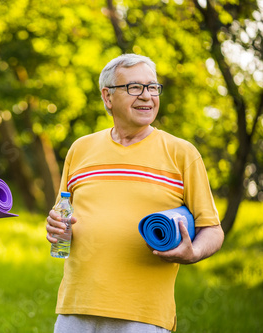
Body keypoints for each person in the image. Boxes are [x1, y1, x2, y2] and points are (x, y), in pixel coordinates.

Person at [46, 53, 224, 333]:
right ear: (107, 97)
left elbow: (212, 229)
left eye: (152, 87)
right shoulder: (80, 149)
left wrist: (194, 252)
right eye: (134, 87)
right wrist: (58, 231)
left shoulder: (182, 153)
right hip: (75, 309)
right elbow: (61, 225)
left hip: (143, 316)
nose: (146, 96)